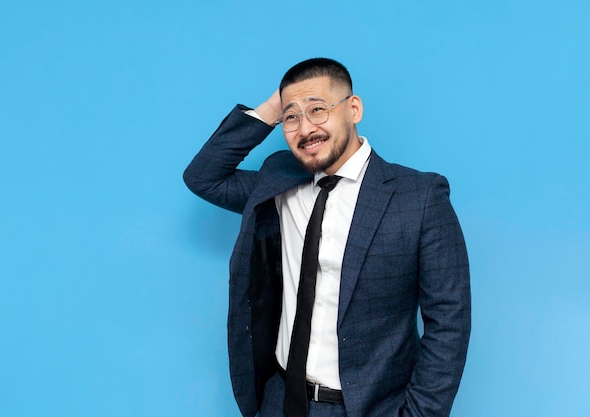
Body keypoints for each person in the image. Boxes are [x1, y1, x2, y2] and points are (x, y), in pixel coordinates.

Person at [183, 58, 471, 417]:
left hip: (370, 408)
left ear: (354, 109)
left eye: (318, 110)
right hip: (280, 400)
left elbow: (450, 320)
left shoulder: (419, 196)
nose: (306, 128)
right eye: (293, 119)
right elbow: (204, 177)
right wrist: (280, 104)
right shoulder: (278, 182)